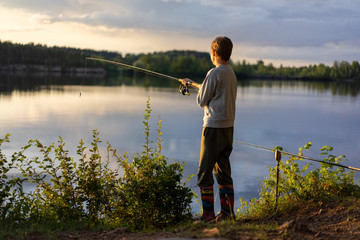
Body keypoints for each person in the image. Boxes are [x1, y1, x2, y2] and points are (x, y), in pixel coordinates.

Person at [181, 36, 237, 222]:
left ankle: (208, 216)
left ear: (213, 52)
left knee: (204, 173)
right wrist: (196, 84)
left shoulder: (213, 73)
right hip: (228, 127)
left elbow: (201, 101)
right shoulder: (230, 73)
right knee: (223, 171)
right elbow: (214, 91)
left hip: (212, 127)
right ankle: (228, 214)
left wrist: (200, 89)